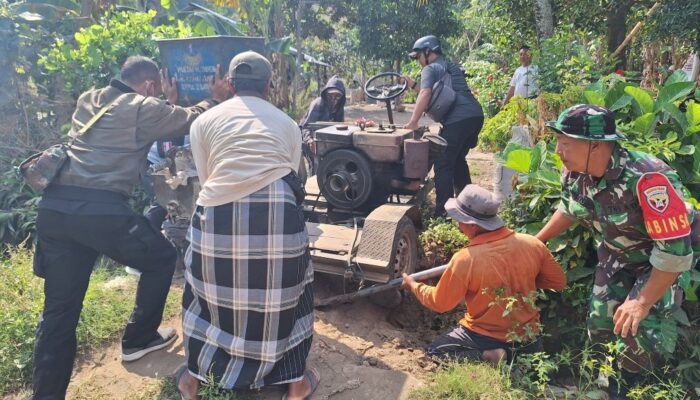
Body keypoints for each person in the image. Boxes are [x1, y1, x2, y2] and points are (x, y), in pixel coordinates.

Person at [30, 56, 230, 399]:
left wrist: (163, 102)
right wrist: (215, 96)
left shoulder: (88, 98)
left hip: (56, 209)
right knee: (162, 257)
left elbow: (127, 127)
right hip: (100, 210)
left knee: (58, 315)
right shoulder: (142, 107)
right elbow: (192, 119)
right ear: (150, 86)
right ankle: (138, 340)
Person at [176, 51, 318, 400]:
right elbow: (294, 175)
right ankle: (295, 383)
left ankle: (194, 378)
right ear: (270, 85)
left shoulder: (204, 121)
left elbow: (207, 177)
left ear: (229, 84)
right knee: (292, 292)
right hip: (279, 212)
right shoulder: (287, 124)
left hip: (216, 211)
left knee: (203, 292)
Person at [536, 104, 700, 398]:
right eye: (558, 141)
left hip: (660, 265)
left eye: (566, 143)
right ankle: (602, 383)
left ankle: (633, 389)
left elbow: (674, 254)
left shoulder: (649, 180)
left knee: (638, 330)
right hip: (616, 257)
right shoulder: (576, 171)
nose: (558, 150)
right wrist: (538, 240)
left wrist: (641, 302)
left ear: (596, 146)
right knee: (600, 322)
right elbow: (573, 208)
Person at [402, 184, 566, 365]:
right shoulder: (532, 244)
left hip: (484, 335)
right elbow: (558, 281)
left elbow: (440, 303)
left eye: (460, 220)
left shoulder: (466, 259)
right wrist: (522, 279)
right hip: (528, 337)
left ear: (472, 225)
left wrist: (413, 285)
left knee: (434, 352)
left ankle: (488, 355)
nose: (458, 225)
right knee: (530, 366)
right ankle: (517, 358)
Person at [401, 35, 485, 217]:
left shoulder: (430, 69)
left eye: (418, 57)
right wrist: (412, 84)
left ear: (427, 52)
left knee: (443, 164)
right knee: (457, 161)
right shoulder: (449, 65)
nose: (418, 62)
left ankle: (443, 215)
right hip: (475, 116)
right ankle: (468, 207)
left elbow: (426, 93)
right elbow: (439, 93)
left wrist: (413, 122)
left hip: (458, 119)